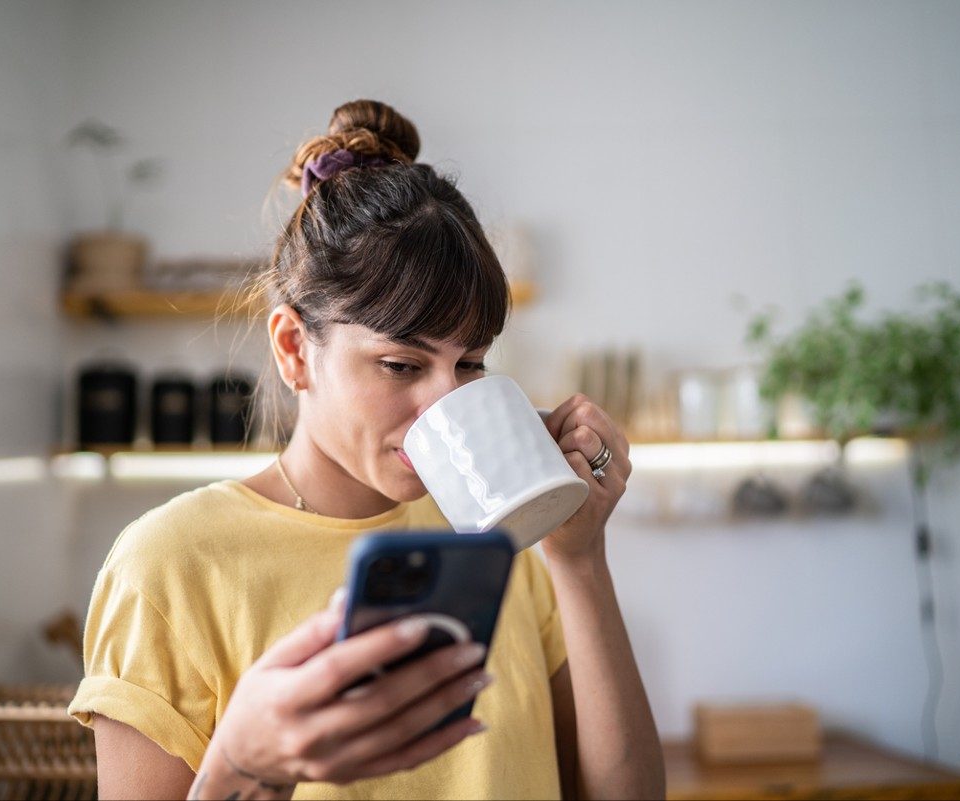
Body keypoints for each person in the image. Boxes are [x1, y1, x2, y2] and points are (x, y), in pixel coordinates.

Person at [68, 99, 665, 801]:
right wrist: (241, 763)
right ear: (295, 349)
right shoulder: (168, 566)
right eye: (402, 365)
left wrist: (580, 557)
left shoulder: (496, 537)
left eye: (470, 363)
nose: (447, 400)